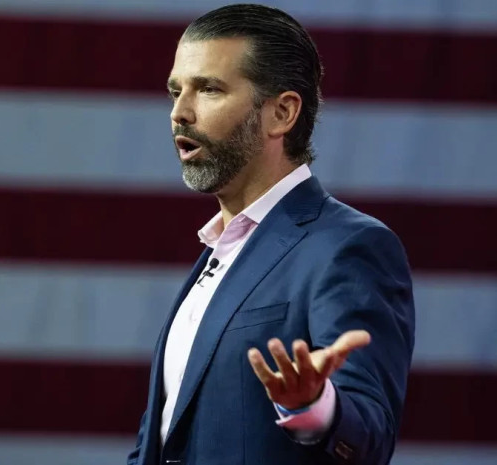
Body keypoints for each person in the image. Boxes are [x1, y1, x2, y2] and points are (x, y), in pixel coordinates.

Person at [126, 4, 415, 465]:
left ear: (281, 113)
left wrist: (313, 406)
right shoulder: (220, 252)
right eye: (176, 91)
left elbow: (370, 436)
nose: (180, 113)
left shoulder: (348, 248)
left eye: (209, 89)